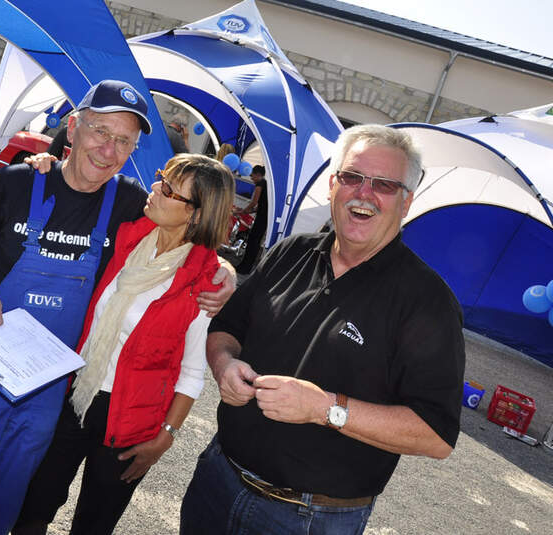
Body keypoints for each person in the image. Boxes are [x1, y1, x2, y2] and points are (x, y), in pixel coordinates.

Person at [0, 80, 235, 535]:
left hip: (49, 388)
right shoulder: (19, 181)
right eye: (101, 131)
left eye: (124, 141)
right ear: (73, 126)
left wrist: (227, 273)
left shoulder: (129, 204)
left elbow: (188, 231)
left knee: (4, 501)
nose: (109, 148)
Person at [180, 124, 466, 534]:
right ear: (333, 185)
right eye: (352, 177)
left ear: (406, 203)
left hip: (310, 519)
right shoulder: (289, 253)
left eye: (385, 184)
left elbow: (435, 435)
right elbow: (227, 329)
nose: (364, 193)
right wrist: (224, 365)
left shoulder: (427, 301)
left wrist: (325, 409)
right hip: (219, 477)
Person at [14, 154, 234, 535]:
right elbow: (81, 184)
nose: (155, 188)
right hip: (75, 393)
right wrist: (47, 162)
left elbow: (192, 372)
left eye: (168, 189)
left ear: (196, 214)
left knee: (94, 524)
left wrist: (166, 437)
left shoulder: (205, 279)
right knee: (33, 506)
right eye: (161, 177)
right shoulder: (128, 233)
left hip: (133, 421)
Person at [234, 164, 267, 274]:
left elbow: (254, 202)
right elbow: (259, 206)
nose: (252, 179)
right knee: (255, 241)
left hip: (262, 218)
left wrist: (244, 211)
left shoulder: (261, 183)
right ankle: (246, 266)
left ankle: (245, 267)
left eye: (252, 176)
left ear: (258, 175)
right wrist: (248, 211)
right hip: (264, 216)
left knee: (253, 241)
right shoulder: (267, 185)